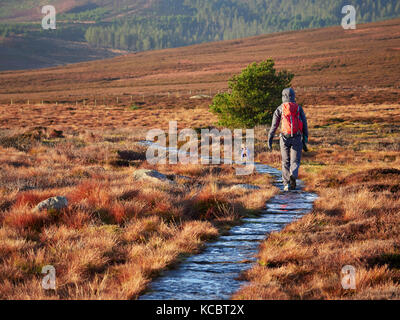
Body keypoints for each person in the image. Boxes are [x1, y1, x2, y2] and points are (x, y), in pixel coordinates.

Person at [267, 88, 308, 191]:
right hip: (297, 137)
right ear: (293, 96)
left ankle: (286, 184)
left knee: (285, 161)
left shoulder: (280, 108)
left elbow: (274, 125)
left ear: (283, 96)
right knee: (295, 161)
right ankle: (293, 175)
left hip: (284, 138)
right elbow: (305, 124)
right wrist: (305, 138)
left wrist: (270, 138)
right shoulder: (298, 108)